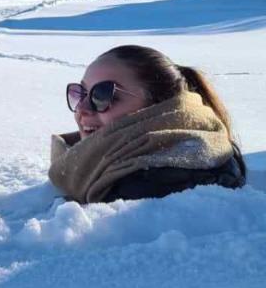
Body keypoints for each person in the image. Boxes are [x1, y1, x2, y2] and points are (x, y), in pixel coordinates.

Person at [49, 44, 247, 204]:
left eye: (102, 95)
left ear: (159, 107)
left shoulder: (150, 186)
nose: (82, 108)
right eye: (81, 93)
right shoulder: (124, 168)